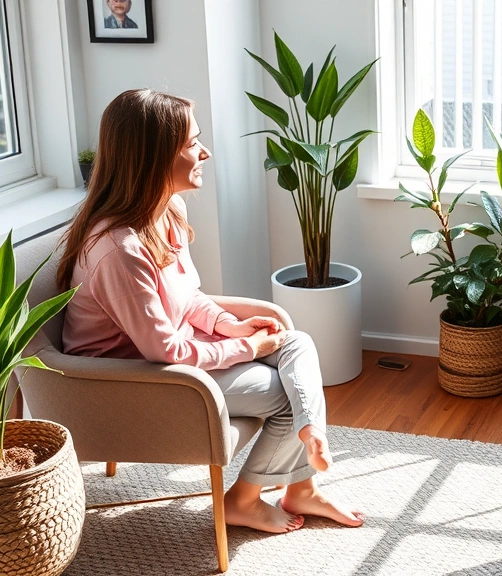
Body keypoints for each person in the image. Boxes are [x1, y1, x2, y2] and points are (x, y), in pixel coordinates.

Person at [57, 89, 363, 534]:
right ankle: (242, 500)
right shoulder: (118, 249)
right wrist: (245, 346)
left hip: (169, 354)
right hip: (128, 380)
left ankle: (302, 485)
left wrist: (232, 326)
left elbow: (191, 297)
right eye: (190, 144)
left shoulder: (167, 210)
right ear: (153, 158)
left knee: (297, 341)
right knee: (282, 394)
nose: (205, 152)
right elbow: (164, 350)